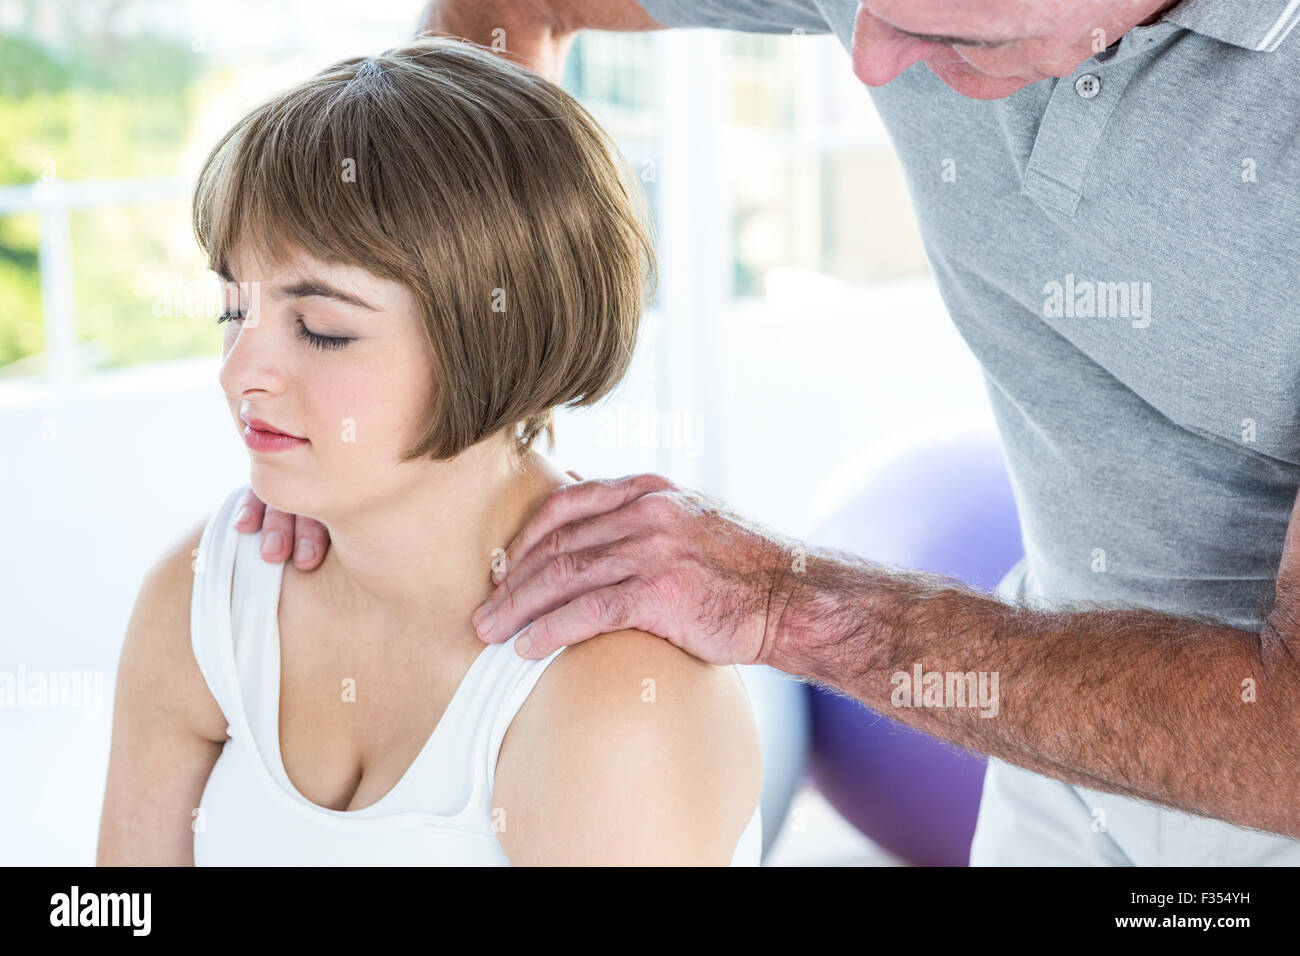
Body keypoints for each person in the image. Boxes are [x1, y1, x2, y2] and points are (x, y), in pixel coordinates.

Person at [360, 0, 1294, 866]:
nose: (869, 60)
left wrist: (783, 604)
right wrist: (423, 449)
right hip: (1054, 761)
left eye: (953, 29)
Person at [96, 37, 763, 866]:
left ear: (496, 339)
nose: (239, 375)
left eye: (322, 330)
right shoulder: (209, 594)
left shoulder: (614, 695)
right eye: (235, 310)